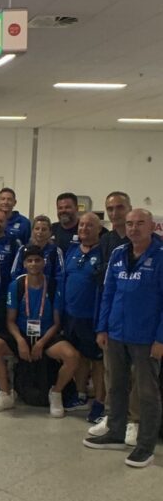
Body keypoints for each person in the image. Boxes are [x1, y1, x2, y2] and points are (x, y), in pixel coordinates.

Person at [83, 209, 163, 468]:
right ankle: (116, 432)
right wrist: (102, 328)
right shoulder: (118, 254)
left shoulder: (160, 256)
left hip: (146, 337)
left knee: (147, 392)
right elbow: (108, 293)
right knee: (116, 386)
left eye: (140, 223)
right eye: (129, 224)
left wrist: (161, 339)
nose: (133, 228)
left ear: (152, 226)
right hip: (115, 333)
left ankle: (145, 446)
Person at [0, 245, 80, 418]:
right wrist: (20, 341)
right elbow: (10, 321)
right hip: (22, 333)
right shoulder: (16, 285)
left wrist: (41, 343)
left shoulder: (53, 285)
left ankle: (56, 393)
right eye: (29, 261)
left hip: (46, 335)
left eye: (37, 260)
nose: (34, 264)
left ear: (44, 262)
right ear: (24, 264)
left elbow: (57, 323)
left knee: (72, 356)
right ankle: (5, 394)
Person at [89, 191, 136, 436]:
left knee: (137, 376)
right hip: (112, 318)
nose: (115, 213)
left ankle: (134, 421)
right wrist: (102, 324)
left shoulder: (144, 241)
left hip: (139, 320)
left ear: (129, 208)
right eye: (110, 209)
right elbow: (104, 283)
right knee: (112, 373)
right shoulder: (107, 241)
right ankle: (112, 417)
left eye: (120, 207)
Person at [61, 212, 106, 420]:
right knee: (78, 357)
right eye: (81, 225)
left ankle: (99, 402)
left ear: (99, 229)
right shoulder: (72, 250)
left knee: (97, 361)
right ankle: (80, 395)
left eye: (89, 226)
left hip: (92, 317)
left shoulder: (103, 252)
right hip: (71, 315)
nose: (84, 229)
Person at [10, 215, 64, 284]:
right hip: (25, 288)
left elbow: (60, 276)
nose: (40, 232)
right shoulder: (23, 250)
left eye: (44, 229)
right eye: (37, 228)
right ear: (32, 230)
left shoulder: (55, 251)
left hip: (47, 289)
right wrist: (22, 286)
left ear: (50, 232)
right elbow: (14, 274)